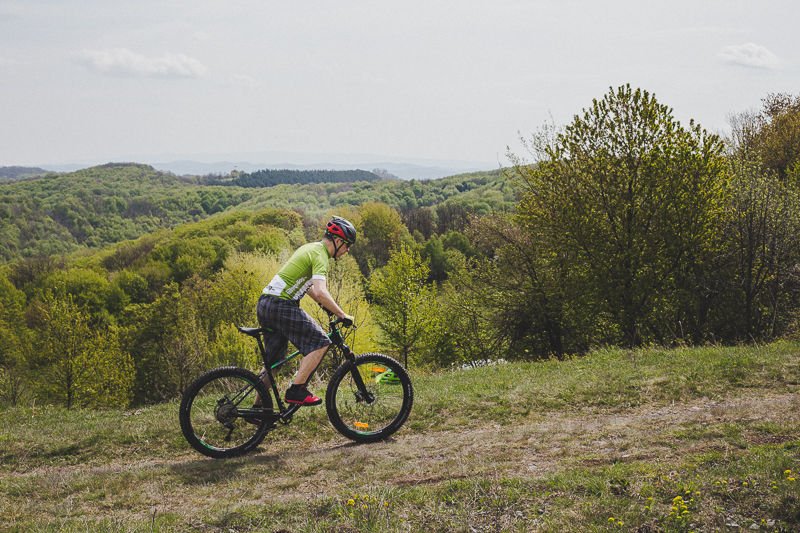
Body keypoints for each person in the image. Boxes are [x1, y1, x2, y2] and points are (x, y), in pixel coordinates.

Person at [256, 216, 356, 406]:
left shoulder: (310, 248)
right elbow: (320, 291)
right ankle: (296, 390)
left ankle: (258, 409)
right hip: (281, 304)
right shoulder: (321, 256)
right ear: (337, 241)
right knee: (320, 342)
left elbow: (306, 285)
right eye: (347, 245)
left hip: (266, 304)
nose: (347, 250)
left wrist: (324, 305)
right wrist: (341, 314)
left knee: (274, 363)